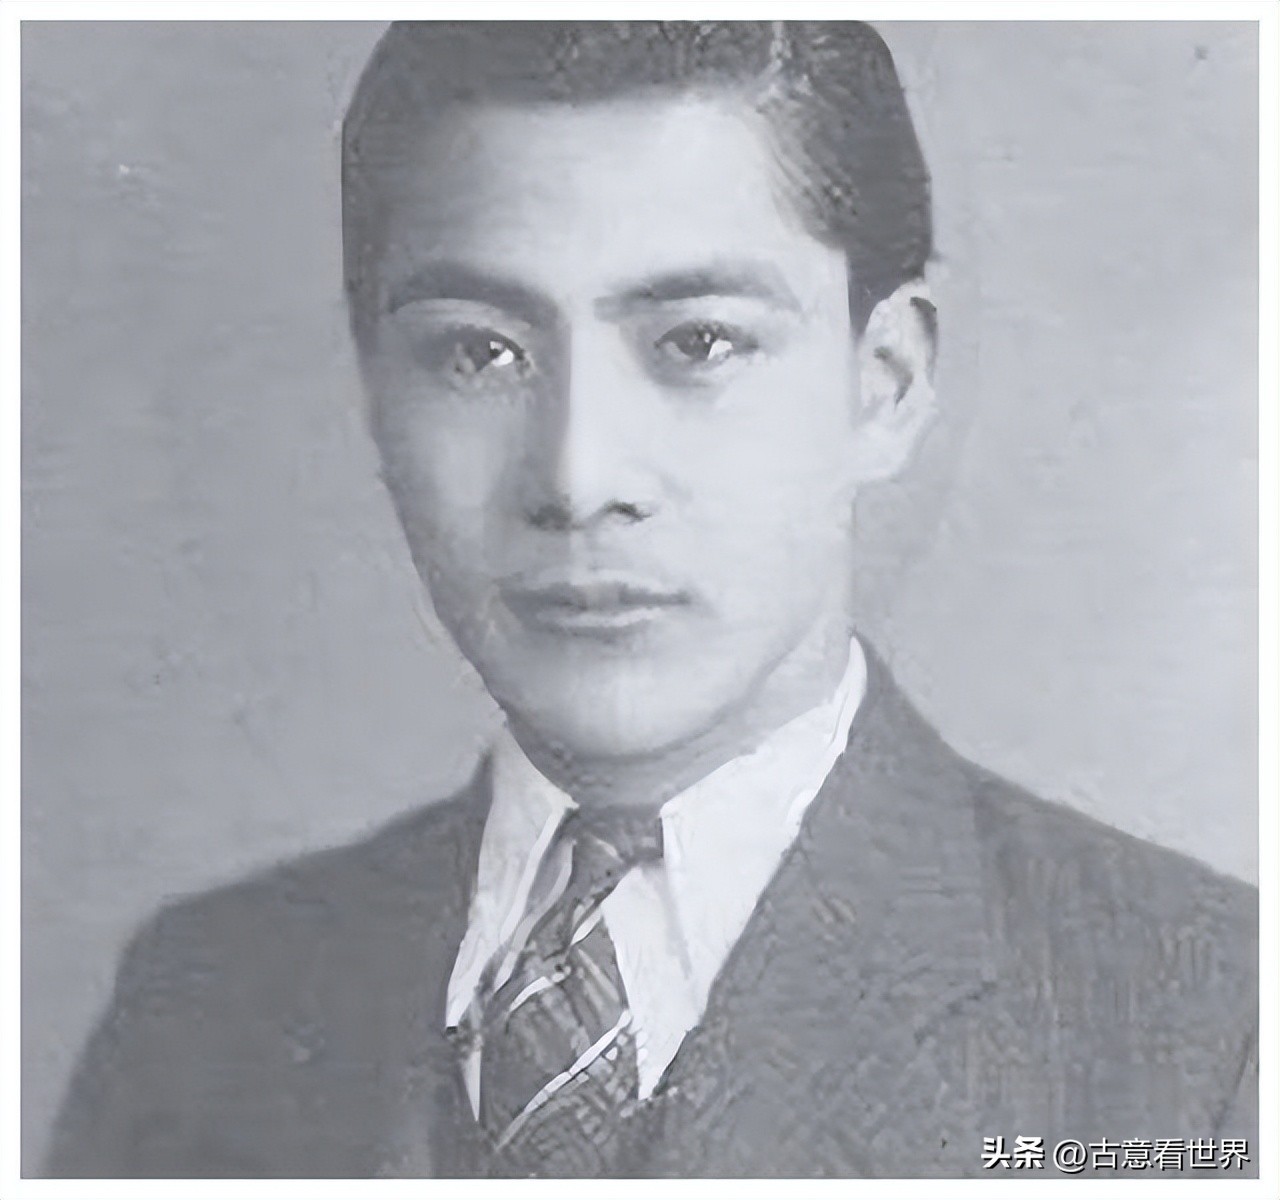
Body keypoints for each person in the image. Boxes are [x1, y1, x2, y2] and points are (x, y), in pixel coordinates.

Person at [46, 20, 1258, 1179]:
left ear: (881, 385)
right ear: (374, 397)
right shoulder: (200, 1003)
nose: (578, 478)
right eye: (477, 352)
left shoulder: (1212, 1029)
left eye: (697, 344)